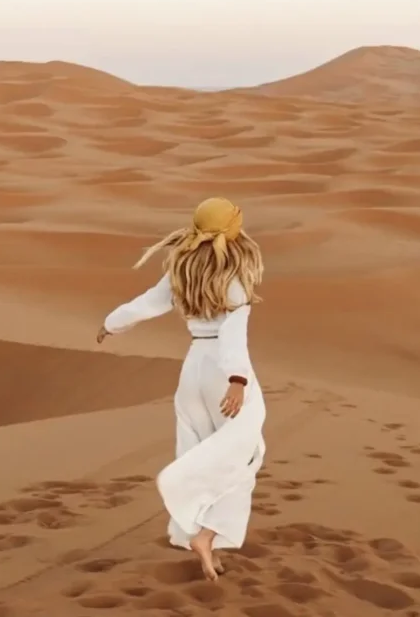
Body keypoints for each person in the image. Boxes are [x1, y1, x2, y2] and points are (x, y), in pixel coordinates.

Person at [96, 196, 266, 581]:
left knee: (200, 447)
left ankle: (206, 541)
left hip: (193, 369)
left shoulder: (182, 269)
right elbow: (233, 335)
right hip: (223, 370)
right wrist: (238, 380)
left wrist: (111, 324)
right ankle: (207, 535)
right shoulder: (233, 277)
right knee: (244, 454)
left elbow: (146, 304)